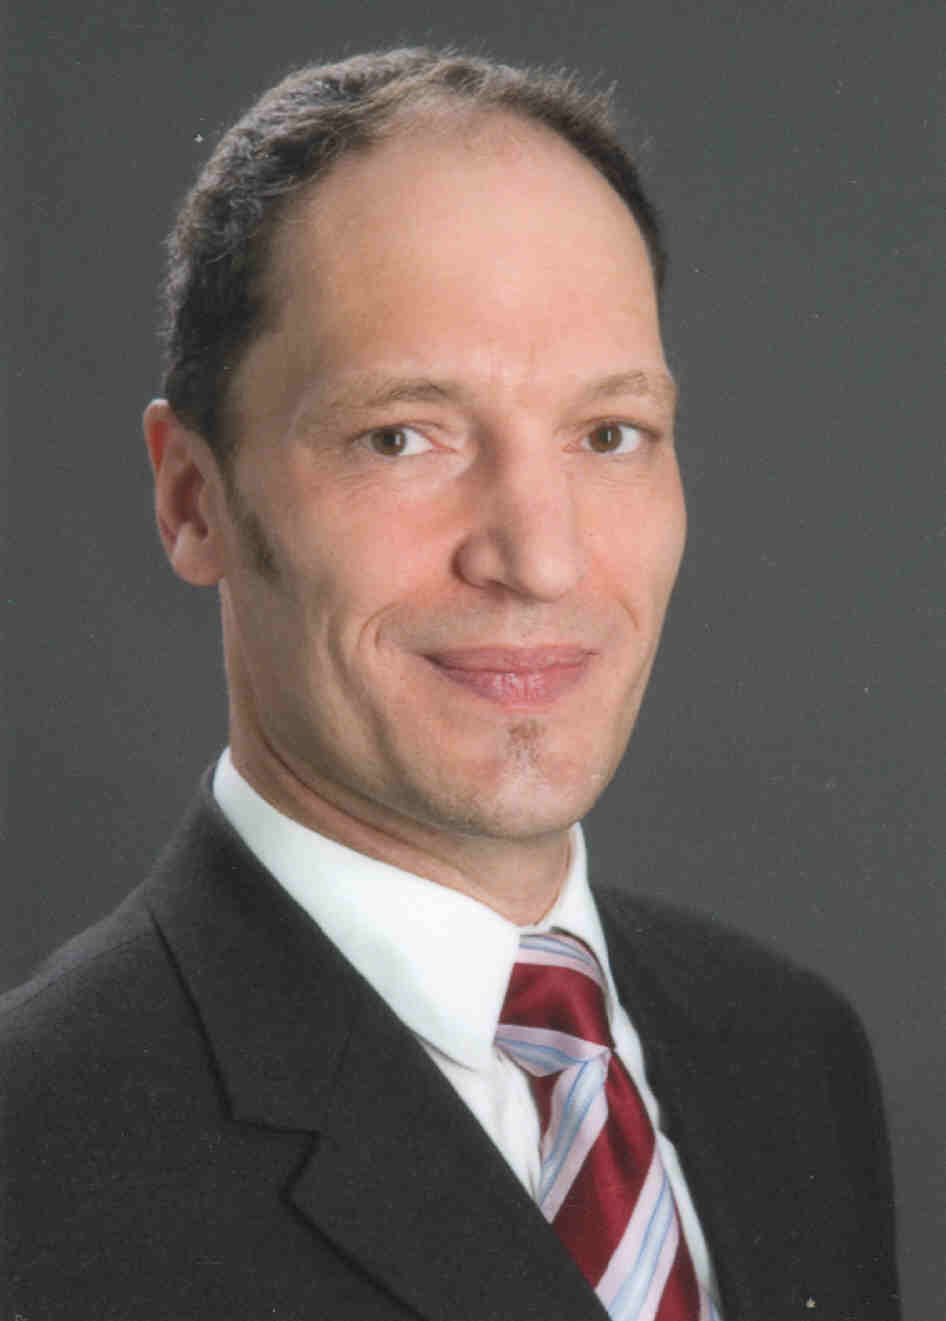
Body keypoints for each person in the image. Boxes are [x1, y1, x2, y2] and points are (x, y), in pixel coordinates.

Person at [0, 48, 900, 1320]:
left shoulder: (788, 1053)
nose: (540, 557)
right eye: (401, 436)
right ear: (193, 498)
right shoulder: (36, 1167)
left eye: (609, 434)